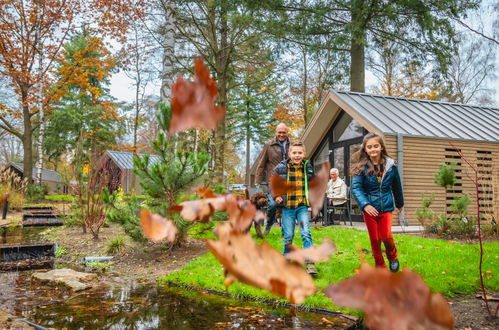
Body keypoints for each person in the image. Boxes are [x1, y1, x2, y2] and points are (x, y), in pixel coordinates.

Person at [351, 132, 404, 272]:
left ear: (381, 147)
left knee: (386, 236)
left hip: (386, 207)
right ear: (365, 149)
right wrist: (365, 204)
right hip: (370, 209)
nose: (373, 149)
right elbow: (356, 188)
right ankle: (380, 267)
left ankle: (392, 256)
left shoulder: (391, 166)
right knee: (375, 240)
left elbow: (397, 186)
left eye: (376, 146)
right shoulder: (361, 168)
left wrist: (399, 204)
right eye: (369, 147)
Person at [271, 141, 317, 275]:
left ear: (304, 154)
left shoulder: (307, 167)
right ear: (289, 153)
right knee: (288, 235)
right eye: (294, 153)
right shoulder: (281, 167)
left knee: (306, 233)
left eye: (300, 153)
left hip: (302, 206)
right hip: (287, 207)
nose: (297, 155)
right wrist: (276, 195)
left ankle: (309, 262)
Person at [255, 123, 290, 235]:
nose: (281, 134)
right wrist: (258, 182)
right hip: (273, 181)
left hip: (288, 181)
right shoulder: (268, 145)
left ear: (287, 133)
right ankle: (269, 224)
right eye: (279, 132)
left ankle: (285, 231)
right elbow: (261, 164)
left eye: (283, 132)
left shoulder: (292, 145)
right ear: (276, 132)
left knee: (287, 205)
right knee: (272, 205)